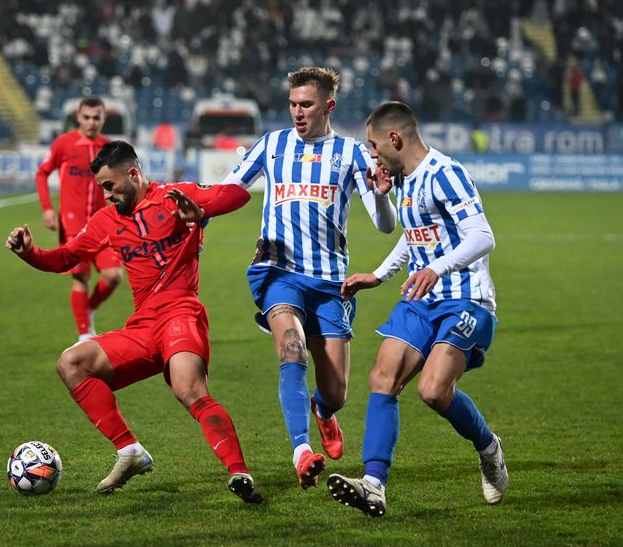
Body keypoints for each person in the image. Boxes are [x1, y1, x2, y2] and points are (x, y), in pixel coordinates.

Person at [7, 140, 262, 503]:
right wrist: (29, 253)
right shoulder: (106, 220)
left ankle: (239, 472)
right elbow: (65, 258)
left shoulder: (175, 196)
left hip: (180, 314)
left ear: (133, 173)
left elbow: (237, 196)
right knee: (71, 363)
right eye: (101, 189)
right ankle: (129, 450)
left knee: (189, 391)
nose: (106, 195)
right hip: (142, 327)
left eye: (110, 186)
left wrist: (200, 212)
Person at [208, 66, 397, 489]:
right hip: (279, 274)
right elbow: (228, 188)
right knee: (292, 353)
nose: (297, 111)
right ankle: (301, 450)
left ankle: (323, 412)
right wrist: (196, 218)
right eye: (292, 103)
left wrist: (383, 197)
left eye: (306, 104)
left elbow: (385, 225)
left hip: (331, 283)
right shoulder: (272, 144)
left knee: (336, 393)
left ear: (328, 105)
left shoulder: (350, 154)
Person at [327, 101, 508, 517]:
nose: (372, 155)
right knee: (382, 376)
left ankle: (488, 447)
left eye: (374, 146)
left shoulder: (446, 173)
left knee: (432, 390)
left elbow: (482, 236)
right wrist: (379, 275)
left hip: (465, 297)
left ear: (395, 139)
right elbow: (411, 235)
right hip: (422, 298)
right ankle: (374, 483)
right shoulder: (405, 179)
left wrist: (437, 267)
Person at [35, 95, 124, 341]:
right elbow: (42, 174)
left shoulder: (109, 149)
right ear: (78, 118)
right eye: (87, 117)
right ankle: (85, 335)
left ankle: (89, 309)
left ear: (104, 119)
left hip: (103, 224)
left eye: (97, 117)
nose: (91, 122)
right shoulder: (63, 143)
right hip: (73, 225)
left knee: (114, 276)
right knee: (80, 277)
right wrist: (48, 208)